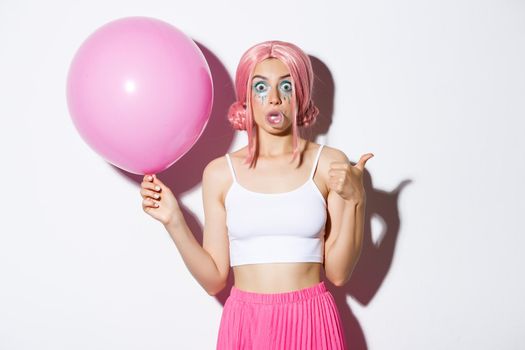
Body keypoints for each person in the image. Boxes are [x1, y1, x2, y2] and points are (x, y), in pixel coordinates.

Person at [139, 40, 373, 349]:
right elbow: (214, 280)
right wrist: (174, 221)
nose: (274, 99)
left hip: (311, 317)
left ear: (300, 95)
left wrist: (357, 199)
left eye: (286, 87)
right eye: (261, 88)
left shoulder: (329, 164)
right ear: (246, 98)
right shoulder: (220, 173)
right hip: (246, 322)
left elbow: (340, 274)